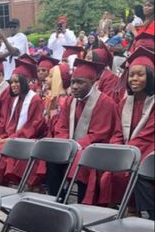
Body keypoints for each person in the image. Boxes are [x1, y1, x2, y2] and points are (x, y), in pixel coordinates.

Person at [48, 58, 119, 202]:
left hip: (95, 149)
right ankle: (56, 199)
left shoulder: (105, 102)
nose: (74, 86)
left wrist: (76, 146)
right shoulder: (70, 100)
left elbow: (100, 133)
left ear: (92, 84)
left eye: (80, 82)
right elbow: (61, 126)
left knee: (81, 158)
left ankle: (82, 204)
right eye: (73, 82)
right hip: (73, 146)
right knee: (54, 153)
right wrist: (65, 144)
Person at [110, 47, 155, 216]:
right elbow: (117, 132)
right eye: (131, 75)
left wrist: (126, 152)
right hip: (131, 151)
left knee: (137, 172)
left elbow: (148, 136)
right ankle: (131, 209)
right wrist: (117, 147)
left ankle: (149, 215)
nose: (134, 79)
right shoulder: (123, 104)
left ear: (150, 77)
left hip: (150, 152)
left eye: (140, 74)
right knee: (111, 167)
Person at [0, 57, 46, 185]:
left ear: (26, 81)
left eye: (17, 82)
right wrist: (0, 137)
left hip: (27, 140)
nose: (13, 85)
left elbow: (30, 129)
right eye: (11, 82)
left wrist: (4, 140)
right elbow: (10, 126)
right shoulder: (15, 99)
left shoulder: (35, 100)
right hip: (13, 138)